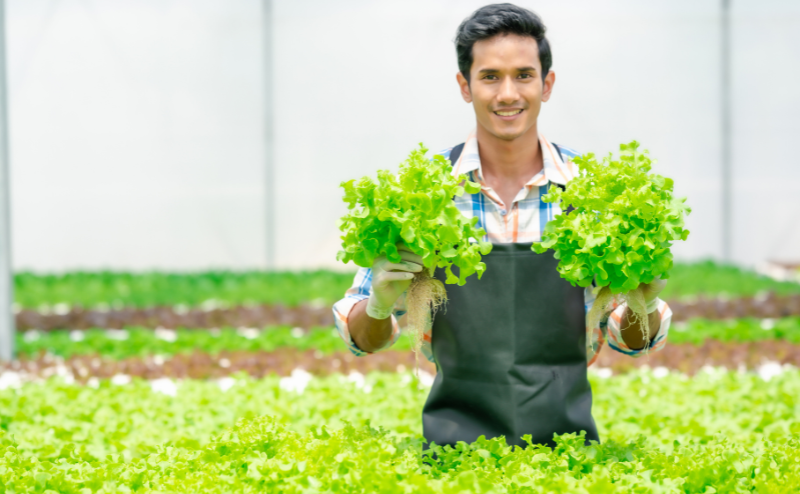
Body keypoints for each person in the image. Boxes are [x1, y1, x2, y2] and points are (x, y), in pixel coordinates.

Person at [332, 3, 672, 451]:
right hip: (454, 455)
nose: (507, 93)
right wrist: (378, 306)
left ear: (546, 84)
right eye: (490, 76)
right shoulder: (425, 197)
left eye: (524, 75)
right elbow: (362, 342)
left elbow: (633, 343)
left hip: (566, 455)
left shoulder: (593, 196)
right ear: (465, 86)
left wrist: (644, 305)